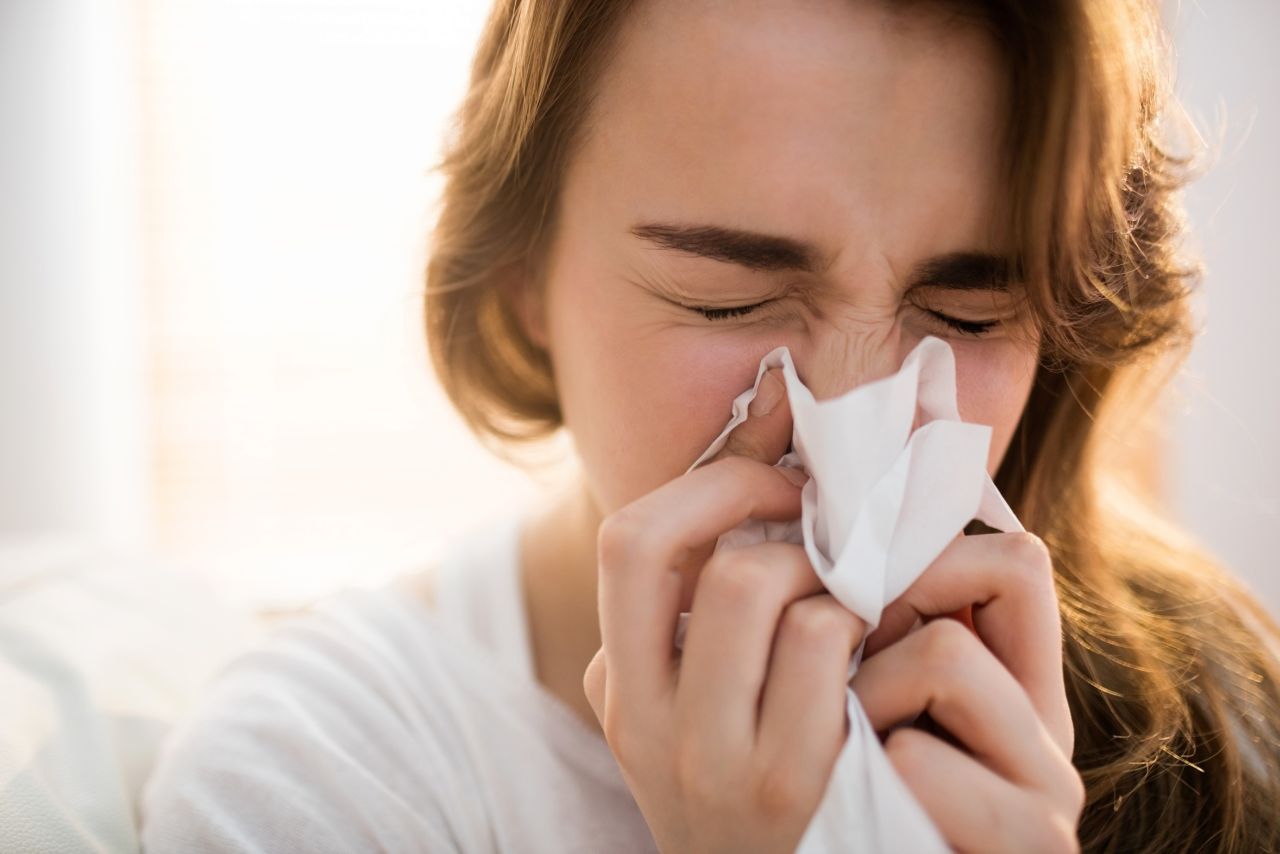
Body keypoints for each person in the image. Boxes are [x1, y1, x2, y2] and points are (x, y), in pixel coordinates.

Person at [140, 0, 1280, 851]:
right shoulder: (317, 780)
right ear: (522, 279)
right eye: (726, 301)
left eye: (965, 311)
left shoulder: (1214, 728)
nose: (844, 417)